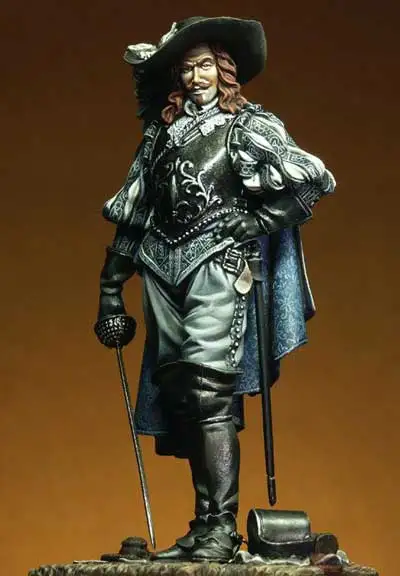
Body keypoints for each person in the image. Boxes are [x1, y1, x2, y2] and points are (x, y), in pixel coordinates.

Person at [94, 17, 336, 563]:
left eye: (204, 65)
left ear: (224, 71)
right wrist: (111, 289)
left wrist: (259, 220)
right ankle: (203, 524)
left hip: (218, 264)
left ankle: (221, 529)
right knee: (181, 394)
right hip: (161, 270)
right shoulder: (159, 139)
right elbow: (133, 214)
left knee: (208, 389)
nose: (195, 76)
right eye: (186, 68)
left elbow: (313, 179)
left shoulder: (247, 127)